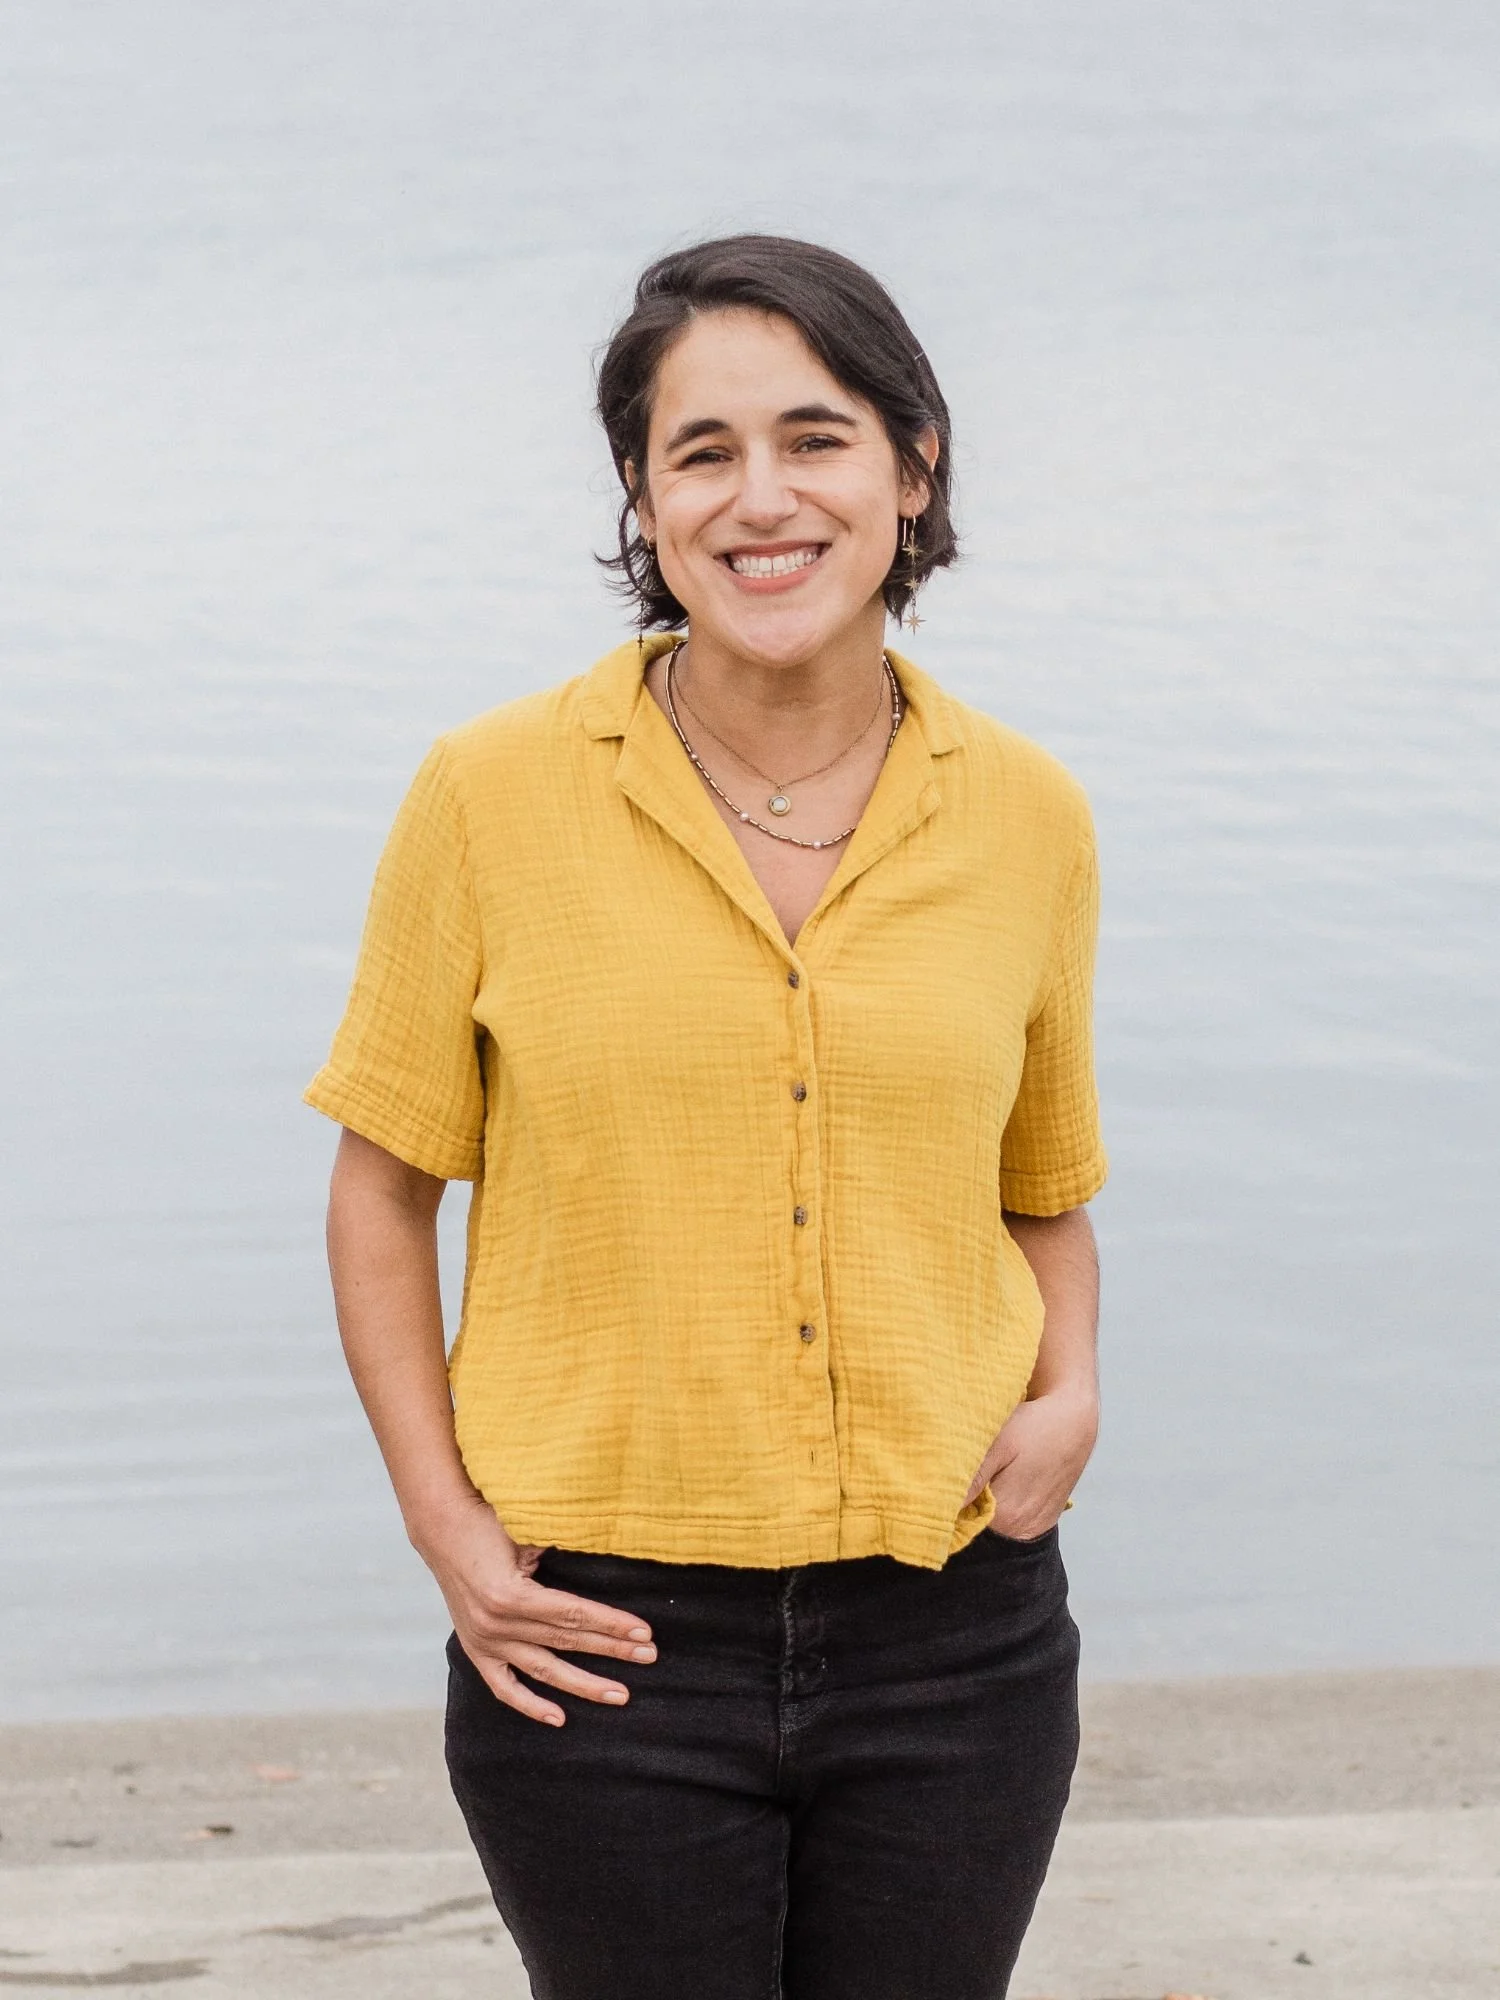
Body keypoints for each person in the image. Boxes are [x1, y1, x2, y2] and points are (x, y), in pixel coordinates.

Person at [306, 234, 1107, 2000]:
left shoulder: (1029, 815)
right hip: (597, 1647)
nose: (765, 499)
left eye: (817, 439)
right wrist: (447, 1530)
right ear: (640, 497)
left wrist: (1074, 1390)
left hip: (958, 1636)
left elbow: (1041, 1186)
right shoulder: (488, 795)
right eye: (703, 450)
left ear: (914, 469)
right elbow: (382, 1192)